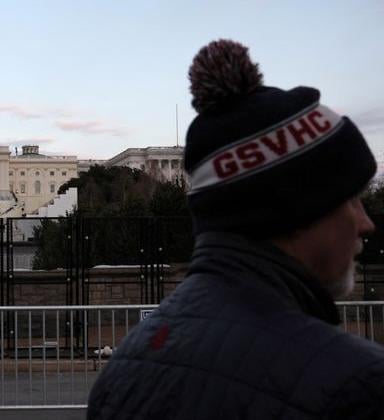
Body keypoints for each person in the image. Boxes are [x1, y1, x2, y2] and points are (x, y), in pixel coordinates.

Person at [87, 39, 384, 419]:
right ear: (295, 209)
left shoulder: (120, 373)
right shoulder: (357, 386)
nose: (366, 222)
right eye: (352, 199)